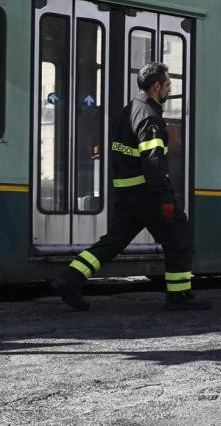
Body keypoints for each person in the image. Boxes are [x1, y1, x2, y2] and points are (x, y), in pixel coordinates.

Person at [52, 62, 211, 311]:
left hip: (127, 194)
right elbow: (153, 162)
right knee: (180, 237)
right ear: (157, 87)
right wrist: (165, 199)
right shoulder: (150, 117)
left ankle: (70, 279)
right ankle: (179, 296)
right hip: (147, 195)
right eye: (168, 84)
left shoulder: (129, 111)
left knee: (113, 241)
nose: (170, 89)